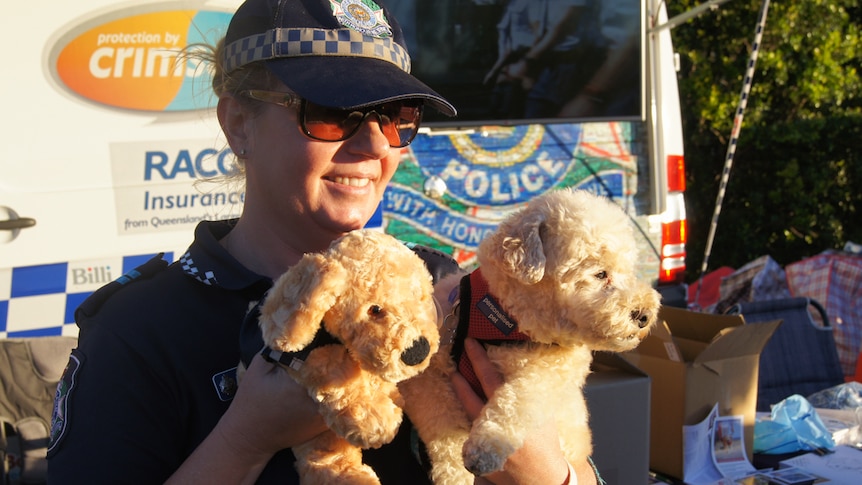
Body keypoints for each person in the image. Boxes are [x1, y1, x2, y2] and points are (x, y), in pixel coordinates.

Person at [45, 0, 600, 483]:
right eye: (333, 113)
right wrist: (244, 442)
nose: (375, 145)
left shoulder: (444, 290)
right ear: (239, 123)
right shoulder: (140, 331)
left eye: (396, 117)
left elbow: (563, 447)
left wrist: (553, 476)